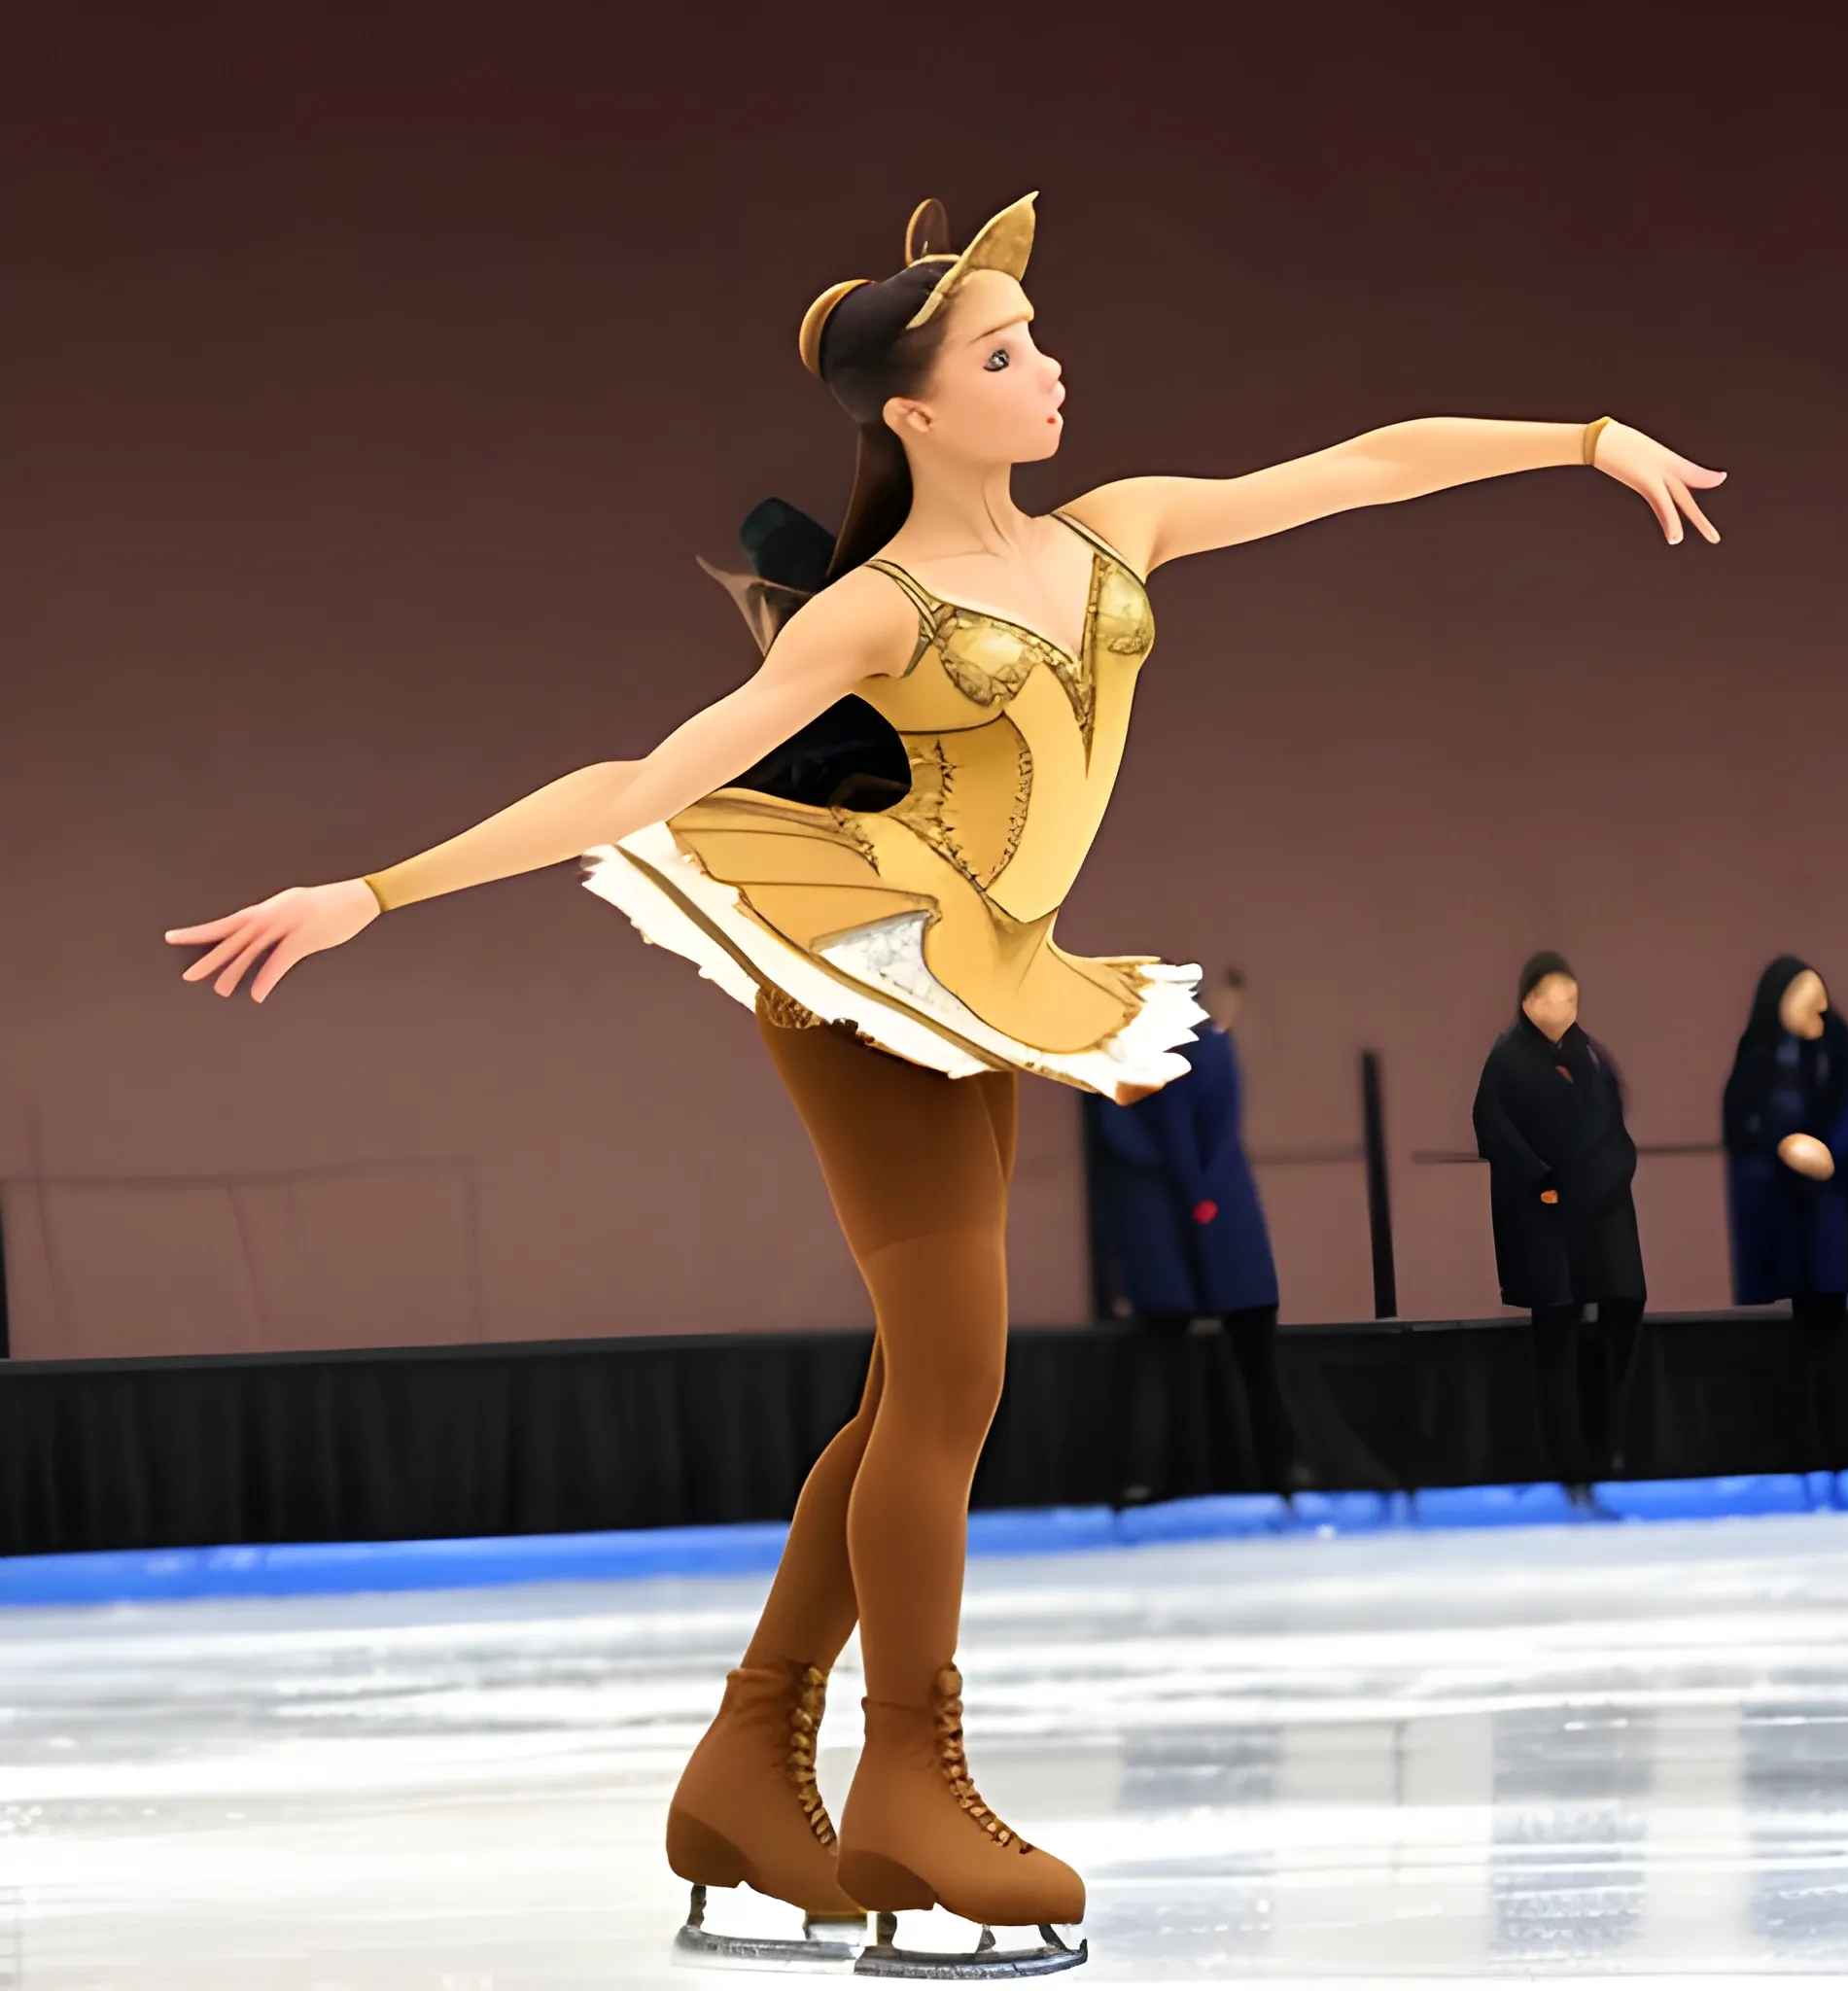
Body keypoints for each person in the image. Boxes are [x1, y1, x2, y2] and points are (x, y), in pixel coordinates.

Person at [164, 191, 1724, 1974]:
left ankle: (753, 1759)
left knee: (917, 1381)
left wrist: (1587, 439)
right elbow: (638, 777)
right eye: (1002, 351)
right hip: (859, 967)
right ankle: (911, 1770)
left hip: (985, 970)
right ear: (912, 411)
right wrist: (367, 890)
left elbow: (1358, 467)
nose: (1046, 367)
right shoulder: (874, 610)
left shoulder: (1115, 530)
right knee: (954, 1381)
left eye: (1036, 339)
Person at [1086, 967, 1312, 1505]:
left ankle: (1148, 1480)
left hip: (1173, 1234)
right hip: (1218, 1222)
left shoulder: (1119, 1070)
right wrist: (1203, 1205)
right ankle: (1281, 1468)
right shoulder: (1205, 1051)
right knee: (1251, 1350)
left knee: (1165, 1355)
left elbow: (1161, 1143)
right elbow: (1197, 1140)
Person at [1723, 958, 1848, 1482]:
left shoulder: (1838, 1047)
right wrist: (1785, 1143)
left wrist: (1828, 1150)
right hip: (1795, 1224)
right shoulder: (1758, 1055)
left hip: (1842, 1225)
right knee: (1812, 1340)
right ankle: (1817, 1458)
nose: (1819, 1007)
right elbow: (1746, 1121)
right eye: (1805, 996)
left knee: (1840, 1342)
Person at [1473, 953, 1646, 1499]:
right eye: (1552, 998)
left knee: (1623, 1303)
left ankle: (1602, 1440)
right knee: (1557, 1328)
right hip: (1545, 1212)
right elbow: (1493, 1128)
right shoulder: (1506, 1060)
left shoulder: (1590, 1055)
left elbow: (1614, 1120)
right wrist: (1541, 1179)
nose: (1564, 1008)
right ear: (1528, 1001)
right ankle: (1569, 1463)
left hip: (1602, 1206)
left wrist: (1615, 1173)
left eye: (1572, 998)